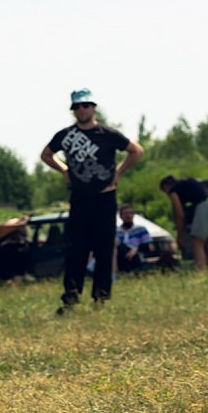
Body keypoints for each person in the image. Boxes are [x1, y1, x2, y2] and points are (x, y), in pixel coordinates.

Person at [40, 88, 144, 314]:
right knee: (76, 249)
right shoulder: (66, 135)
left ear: (93, 107)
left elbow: (136, 151)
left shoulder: (107, 134)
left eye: (85, 105)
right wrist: (64, 169)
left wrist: (119, 171)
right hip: (79, 198)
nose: (81, 110)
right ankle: (70, 297)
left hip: (105, 198)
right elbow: (46, 155)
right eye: (77, 107)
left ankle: (101, 299)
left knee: (104, 249)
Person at [159, 175, 208, 271]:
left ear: (166, 187)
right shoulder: (189, 183)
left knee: (197, 242)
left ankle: (201, 271)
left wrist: (180, 236)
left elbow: (180, 215)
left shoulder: (173, 191)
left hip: (205, 206)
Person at [115, 203, 153, 274]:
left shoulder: (140, 229)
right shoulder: (116, 231)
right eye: (125, 214)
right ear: (120, 216)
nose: (128, 216)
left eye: (130, 213)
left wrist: (136, 249)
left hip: (136, 256)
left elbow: (149, 247)